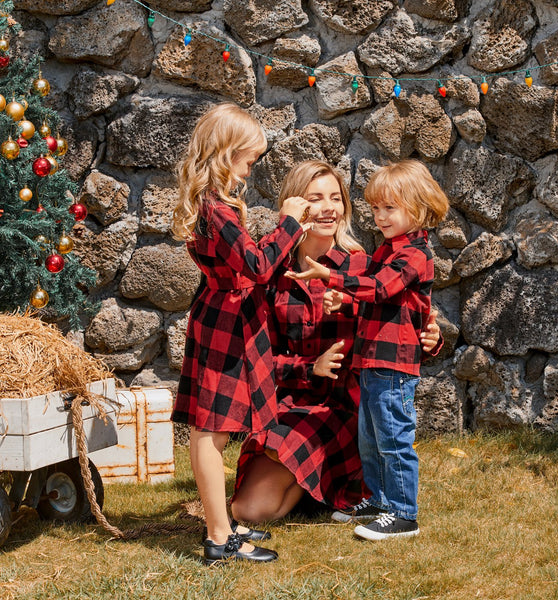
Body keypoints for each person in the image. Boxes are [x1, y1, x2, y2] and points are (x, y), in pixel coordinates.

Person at [230, 160, 442, 524]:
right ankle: (319, 483)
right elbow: (255, 361)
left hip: (351, 410)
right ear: (296, 205)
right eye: (316, 198)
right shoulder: (271, 275)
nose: (328, 208)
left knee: (258, 507)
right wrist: (307, 368)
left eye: (335, 198)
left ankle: (337, 481)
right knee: (250, 510)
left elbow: (407, 319)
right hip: (292, 406)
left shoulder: (364, 265)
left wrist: (432, 339)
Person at [170, 103, 309, 564]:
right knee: (210, 433)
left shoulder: (218, 204)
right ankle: (217, 536)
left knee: (217, 432)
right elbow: (257, 265)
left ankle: (222, 526)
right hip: (224, 326)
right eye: (249, 158)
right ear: (227, 153)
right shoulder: (215, 209)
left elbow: (249, 265)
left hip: (227, 319)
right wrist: (289, 222)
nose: (252, 167)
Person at [285, 159, 449, 541]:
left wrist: (330, 277)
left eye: (390, 207)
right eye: (375, 208)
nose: (380, 216)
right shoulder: (387, 251)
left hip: (394, 364)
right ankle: (377, 501)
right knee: (371, 439)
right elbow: (371, 299)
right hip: (373, 360)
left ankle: (404, 513)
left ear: (420, 206)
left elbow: (380, 289)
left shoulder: (414, 255)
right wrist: (343, 301)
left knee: (394, 440)